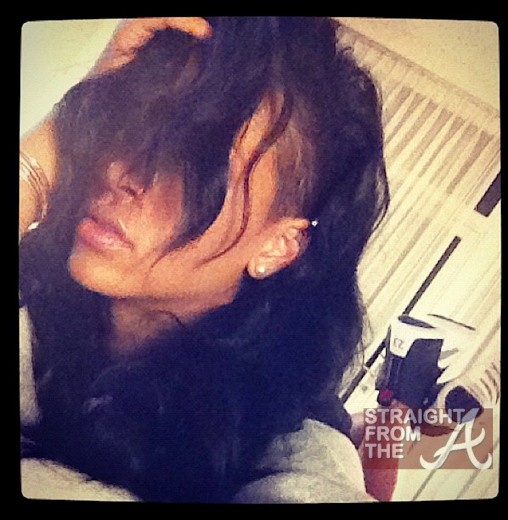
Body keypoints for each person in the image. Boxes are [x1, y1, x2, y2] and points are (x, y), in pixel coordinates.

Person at [19, 17, 391, 503]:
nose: (116, 170)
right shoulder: (37, 290)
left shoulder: (286, 453)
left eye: (195, 164)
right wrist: (60, 137)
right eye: (131, 123)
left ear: (277, 246)